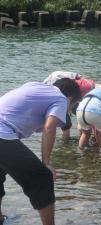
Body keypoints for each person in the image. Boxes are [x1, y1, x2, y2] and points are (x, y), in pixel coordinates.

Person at [0, 78, 81, 225]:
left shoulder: (35, 85)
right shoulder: (61, 99)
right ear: (70, 99)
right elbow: (49, 127)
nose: (70, 110)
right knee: (42, 178)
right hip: (2, 132)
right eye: (73, 106)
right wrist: (46, 163)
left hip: (3, 130)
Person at [44, 71, 96, 139]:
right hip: (58, 99)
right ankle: (65, 141)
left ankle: (82, 136)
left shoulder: (77, 82)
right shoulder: (55, 81)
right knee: (66, 124)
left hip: (68, 96)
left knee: (82, 116)